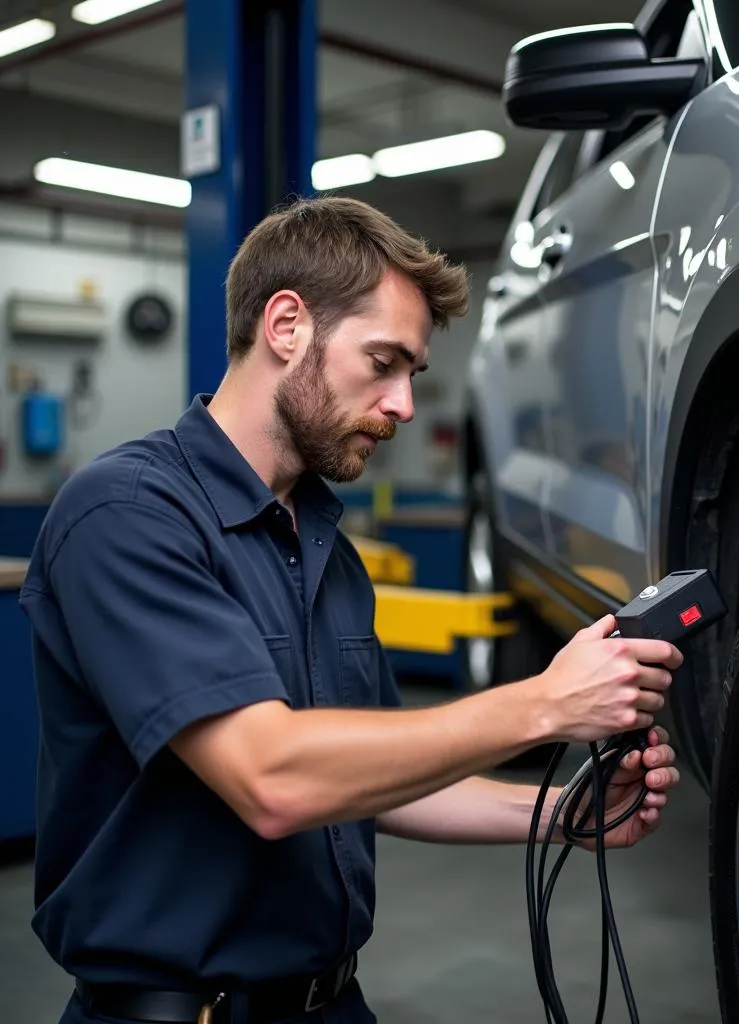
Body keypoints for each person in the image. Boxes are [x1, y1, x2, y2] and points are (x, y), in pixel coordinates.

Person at [18, 195, 684, 1024]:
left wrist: (558, 814)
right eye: (384, 362)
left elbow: (378, 784)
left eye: (414, 375)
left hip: (333, 1004)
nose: (405, 405)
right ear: (287, 326)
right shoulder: (126, 514)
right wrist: (545, 705)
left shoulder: (325, 546)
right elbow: (271, 775)